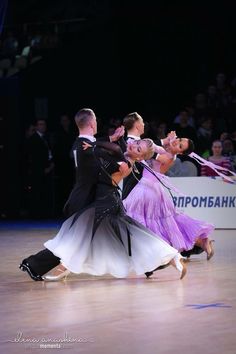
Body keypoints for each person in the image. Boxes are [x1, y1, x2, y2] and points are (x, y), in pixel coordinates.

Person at [42, 138, 187, 281]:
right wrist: (115, 140)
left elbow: (110, 151)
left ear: (140, 157)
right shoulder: (126, 160)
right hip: (109, 201)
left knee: (85, 234)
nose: (133, 146)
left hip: (105, 203)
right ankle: (172, 257)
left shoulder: (124, 164)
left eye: (138, 149)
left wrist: (94, 144)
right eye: (136, 143)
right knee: (129, 237)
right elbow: (117, 149)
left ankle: (64, 267)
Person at [19, 108, 124, 281]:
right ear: (91, 123)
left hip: (82, 199)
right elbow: (105, 158)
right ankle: (34, 264)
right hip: (84, 202)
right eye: (95, 120)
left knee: (74, 242)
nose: (97, 122)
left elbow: (96, 147)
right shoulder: (87, 148)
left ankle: (37, 265)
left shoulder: (81, 144)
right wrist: (120, 154)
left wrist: (111, 139)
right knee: (69, 243)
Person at [123, 136, 215, 268]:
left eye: (180, 145)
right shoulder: (165, 151)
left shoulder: (168, 156)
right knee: (168, 225)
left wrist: (161, 141)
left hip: (148, 191)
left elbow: (148, 150)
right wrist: (164, 140)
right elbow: (149, 147)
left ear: (180, 152)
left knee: (146, 222)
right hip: (148, 188)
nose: (177, 142)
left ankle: (158, 255)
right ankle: (201, 242)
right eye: (180, 139)